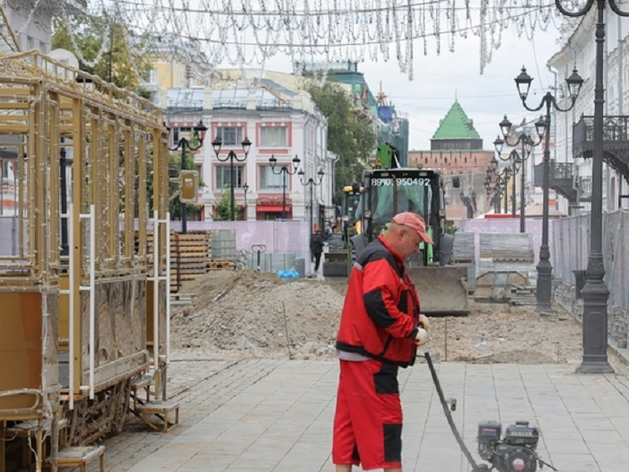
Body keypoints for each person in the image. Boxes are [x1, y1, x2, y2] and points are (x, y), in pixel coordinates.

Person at [332, 212, 432, 472]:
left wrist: (414, 316)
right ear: (401, 234)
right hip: (371, 357)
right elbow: (378, 303)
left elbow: (386, 297)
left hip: (354, 352)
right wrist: (409, 330)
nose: (416, 248)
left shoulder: (380, 256)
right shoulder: (381, 259)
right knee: (389, 422)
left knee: (349, 424)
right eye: (416, 241)